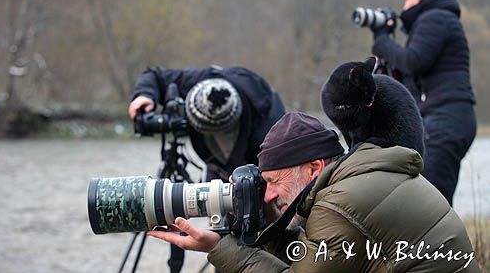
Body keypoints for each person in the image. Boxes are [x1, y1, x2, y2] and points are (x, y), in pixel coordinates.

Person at [147, 112, 480, 272]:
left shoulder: (341, 204)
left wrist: (220, 248)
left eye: (274, 182)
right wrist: (266, 227)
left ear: (314, 169)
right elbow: (314, 257)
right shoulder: (356, 180)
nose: (267, 194)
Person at [370, 0, 477, 205]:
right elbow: (411, 74)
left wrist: (382, 40)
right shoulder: (434, 22)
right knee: (427, 201)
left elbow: (413, 60)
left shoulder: (436, 18)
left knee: (431, 203)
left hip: (444, 119)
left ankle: (440, 242)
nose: (404, 6)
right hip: (446, 118)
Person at [129, 65, 286, 180]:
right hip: (216, 168)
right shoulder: (199, 81)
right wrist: (145, 95)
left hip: (252, 165)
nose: (209, 137)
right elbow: (155, 75)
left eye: (214, 135)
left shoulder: (270, 132)